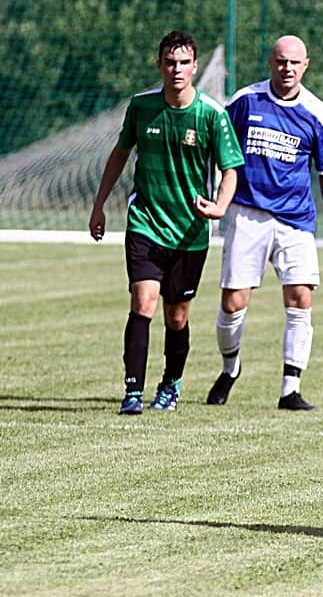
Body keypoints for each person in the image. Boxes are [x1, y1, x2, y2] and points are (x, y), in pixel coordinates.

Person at [89, 30, 245, 415]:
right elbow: (120, 153)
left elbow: (230, 170)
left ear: (195, 67)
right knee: (143, 301)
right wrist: (99, 204)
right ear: (159, 65)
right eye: (170, 62)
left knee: (176, 316)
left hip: (190, 232)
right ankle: (132, 392)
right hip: (146, 222)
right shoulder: (141, 107)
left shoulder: (211, 115)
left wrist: (219, 207)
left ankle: (170, 384)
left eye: (183, 63)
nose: (176, 69)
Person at [206, 35, 323, 411]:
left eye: (295, 63)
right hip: (247, 212)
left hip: (295, 219)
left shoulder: (317, 112)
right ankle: (230, 369)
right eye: (281, 61)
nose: (287, 68)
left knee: (301, 298)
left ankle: (290, 390)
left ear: (306, 66)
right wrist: (216, 200)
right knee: (233, 302)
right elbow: (218, 153)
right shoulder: (244, 101)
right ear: (270, 62)